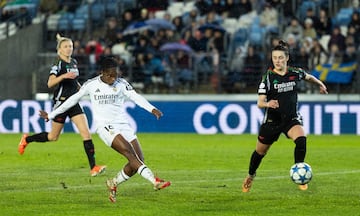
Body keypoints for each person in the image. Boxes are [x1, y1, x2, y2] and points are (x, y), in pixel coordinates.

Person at [39, 57, 171, 203]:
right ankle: (154, 181)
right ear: (102, 72)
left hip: (123, 125)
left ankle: (113, 183)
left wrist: (152, 109)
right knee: (130, 154)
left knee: (138, 160)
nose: (113, 78)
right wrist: (51, 114)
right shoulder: (91, 84)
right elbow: (71, 100)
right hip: (105, 127)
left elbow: (136, 97)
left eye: (116, 74)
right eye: (110, 75)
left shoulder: (122, 84)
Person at [241, 40, 328, 193]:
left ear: (287, 58)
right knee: (260, 152)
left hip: (291, 119)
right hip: (272, 121)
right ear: (272, 59)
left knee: (301, 140)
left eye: (281, 58)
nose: (278, 61)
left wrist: (320, 84)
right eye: (275, 58)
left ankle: (299, 172)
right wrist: (268, 104)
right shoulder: (267, 78)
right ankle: (250, 175)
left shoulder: (295, 72)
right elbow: (260, 103)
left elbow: (308, 77)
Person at [18, 34, 106, 177]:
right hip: (61, 102)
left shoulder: (74, 62)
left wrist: (82, 90)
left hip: (74, 103)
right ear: (59, 50)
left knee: (86, 133)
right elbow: (50, 83)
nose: (69, 48)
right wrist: (63, 76)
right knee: (53, 137)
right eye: (65, 46)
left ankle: (93, 167)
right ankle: (27, 139)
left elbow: (74, 82)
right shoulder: (57, 64)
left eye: (70, 46)